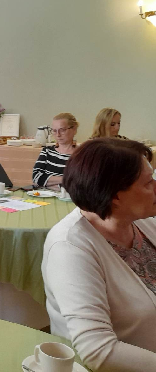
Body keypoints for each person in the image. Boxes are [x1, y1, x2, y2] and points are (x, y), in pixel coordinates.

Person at [42, 138, 156, 371]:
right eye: (148, 183)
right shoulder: (70, 248)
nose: (155, 186)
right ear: (115, 195)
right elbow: (97, 351)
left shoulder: (142, 223)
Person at [32, 113, 79, 188]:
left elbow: (79, 183)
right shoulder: (47, 151)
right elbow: (36, 177)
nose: (58, 135)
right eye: (54, 131)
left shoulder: (81, 155)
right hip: (43, 194)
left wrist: (47, 184)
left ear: (74, 129)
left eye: (62, 130)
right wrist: (65, 180)